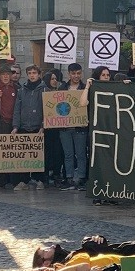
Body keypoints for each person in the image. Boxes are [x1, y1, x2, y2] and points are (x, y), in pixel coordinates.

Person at [11, 64, 46, 189]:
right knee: (24, 155)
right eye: (30, 73)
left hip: (38, 127)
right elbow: (17, 109)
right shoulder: (21, 90)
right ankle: (23, 180)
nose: (32, 75)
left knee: (38, 155)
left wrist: (43, 126)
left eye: (34, 73)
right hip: (24, 126)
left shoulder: (44, 90)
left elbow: (47, 110)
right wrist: (15, 126)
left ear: (38, 74)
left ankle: (39, 179)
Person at [59, 63, 89, 191]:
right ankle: (69, 178)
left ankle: (81, 178)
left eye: (78, 73)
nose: (76, 76)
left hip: (80, 126)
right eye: (73, 73)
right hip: (65, 127)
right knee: (68, 154)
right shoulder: (63, 87)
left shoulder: (85, 88)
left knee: (81, 154)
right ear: (69, 74)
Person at [0, 65, 19, 189]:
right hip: (0, 123)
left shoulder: (18, 89)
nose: (5, 76)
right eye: (3, 74)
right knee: (1, 152)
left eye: (7, 74)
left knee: (13, 152)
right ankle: (1, 179)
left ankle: (13, 178)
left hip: (14, 123)